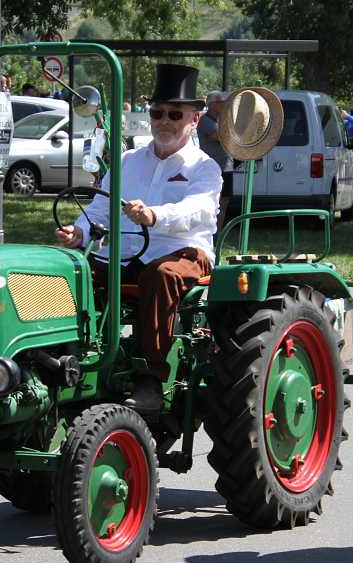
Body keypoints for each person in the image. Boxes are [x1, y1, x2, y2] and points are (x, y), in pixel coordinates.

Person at [55, 64, 222, 413]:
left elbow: (200, 211)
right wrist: (80, 231)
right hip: (126, 254)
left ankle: (153, 380)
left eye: (175, 113)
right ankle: (70, 365)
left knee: (161, 276)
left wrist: (155, 215)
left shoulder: (204, 167)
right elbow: (100, 209)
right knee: (71, 274)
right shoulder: (128, 161)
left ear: (194, 119)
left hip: (183, 252)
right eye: (157, 112)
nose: (165, 120)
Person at [197, 90, 233, 234]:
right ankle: (211, 236)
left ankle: (218, 236)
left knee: (223, 204)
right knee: (213, 205)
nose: (224, 105)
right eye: (221, 103)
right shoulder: (205, 121)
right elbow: (222, 137)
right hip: (214, 169)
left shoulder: (220, 121)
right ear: (212, 105)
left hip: (226, 168)